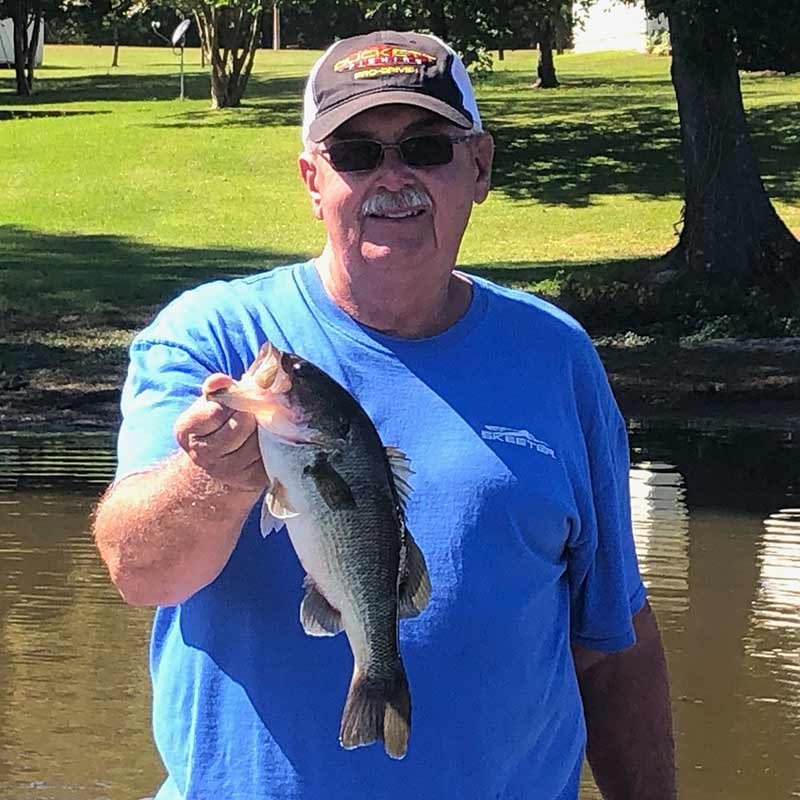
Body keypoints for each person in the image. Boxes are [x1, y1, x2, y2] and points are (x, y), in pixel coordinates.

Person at [93, 30, 675, 800]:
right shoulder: (213, 340)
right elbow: (137, 571)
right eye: (356, 155)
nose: (391, 177)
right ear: (312, 179)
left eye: (427, 147)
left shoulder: (556, 355)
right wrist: (216, 482)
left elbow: (612, 642)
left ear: (479, 167)